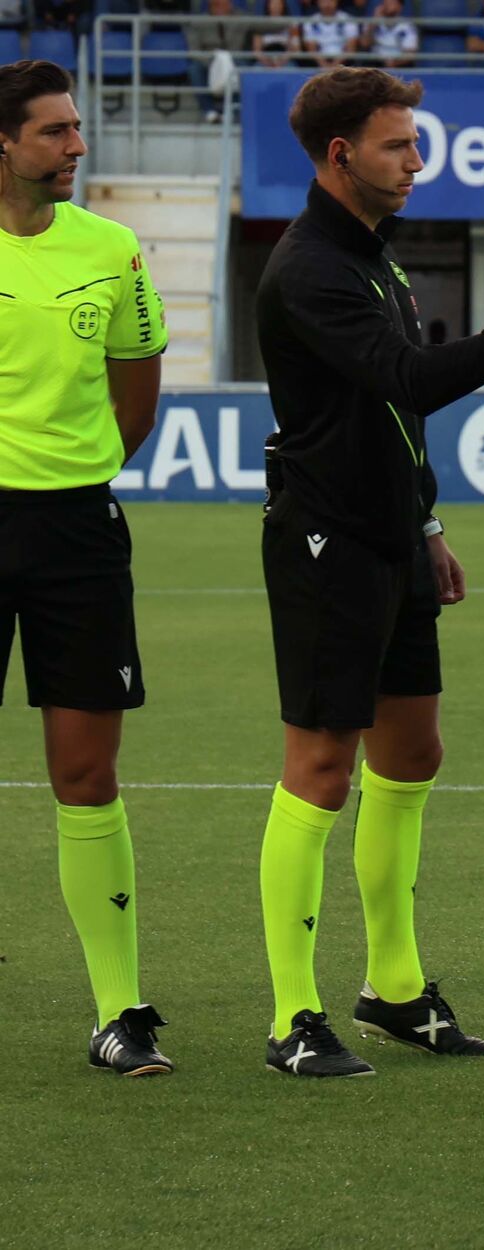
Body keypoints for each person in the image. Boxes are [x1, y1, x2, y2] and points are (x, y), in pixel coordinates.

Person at [251, 67, 484, 1078]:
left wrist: (428, 523)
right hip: (325, 544)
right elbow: (409, 379)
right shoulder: (310, 267)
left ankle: (394, 990)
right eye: (397, 145)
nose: (417, 159)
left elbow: (390, 418)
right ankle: (292, 1015)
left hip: (393, 540)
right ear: (340, 156)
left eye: (415, 141)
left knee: (411, 755)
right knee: (321, 769)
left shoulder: (375, 261)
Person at [0, 58, 174, 1078]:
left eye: (75, 128)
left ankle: (119, 1010)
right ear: (4, 144)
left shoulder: (111, 249)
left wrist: (75, 473)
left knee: (86, 773)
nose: (75, 145)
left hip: (76, 533)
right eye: (54, 131)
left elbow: (136, 398)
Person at [186, 0, 253, 122]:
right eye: (217, 5)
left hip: (234, 59)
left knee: (243, 67)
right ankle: (209, 111)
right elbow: (193, 51)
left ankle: (234, 111)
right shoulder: (198, 22)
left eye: (225, 4)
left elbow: (262, 25)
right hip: (209, 60)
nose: (221, 8)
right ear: (211, 6)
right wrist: (214, 63)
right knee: (194, 69)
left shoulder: (241, 18)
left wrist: (286, 22)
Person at [362, 0, 419, 68]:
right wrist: (375, 21)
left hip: (399, 64)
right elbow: (365, 44)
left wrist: (394, 63)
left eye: (392, 2)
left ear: (399, 7)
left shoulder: (407, 26)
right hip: (376, 63)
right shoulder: (372, 22)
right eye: (386, 2)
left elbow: (410, 54)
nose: (387, 5)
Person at [301, 0, 359, 67]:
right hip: (319, 62)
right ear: (318, 2)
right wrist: (324, 65)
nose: (327, 5)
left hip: (343, 61)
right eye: (324, 1)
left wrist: (334, 66)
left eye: (331, 1)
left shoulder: (348, 19)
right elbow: (312, 49)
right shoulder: (310, 22)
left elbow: (351, 49)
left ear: (336, 2)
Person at [253, 0, 301, 68]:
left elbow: (296, 48)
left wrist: (283, 60)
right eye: (273, 4)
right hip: (265, 58)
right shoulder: (260, 24)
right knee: (255, 70)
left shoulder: (292, 24)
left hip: (285, 58)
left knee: (292, 69)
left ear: (283, 5)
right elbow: (256, 51)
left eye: (278, 4)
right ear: (268, 5)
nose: (276, 6)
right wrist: (267, 62)